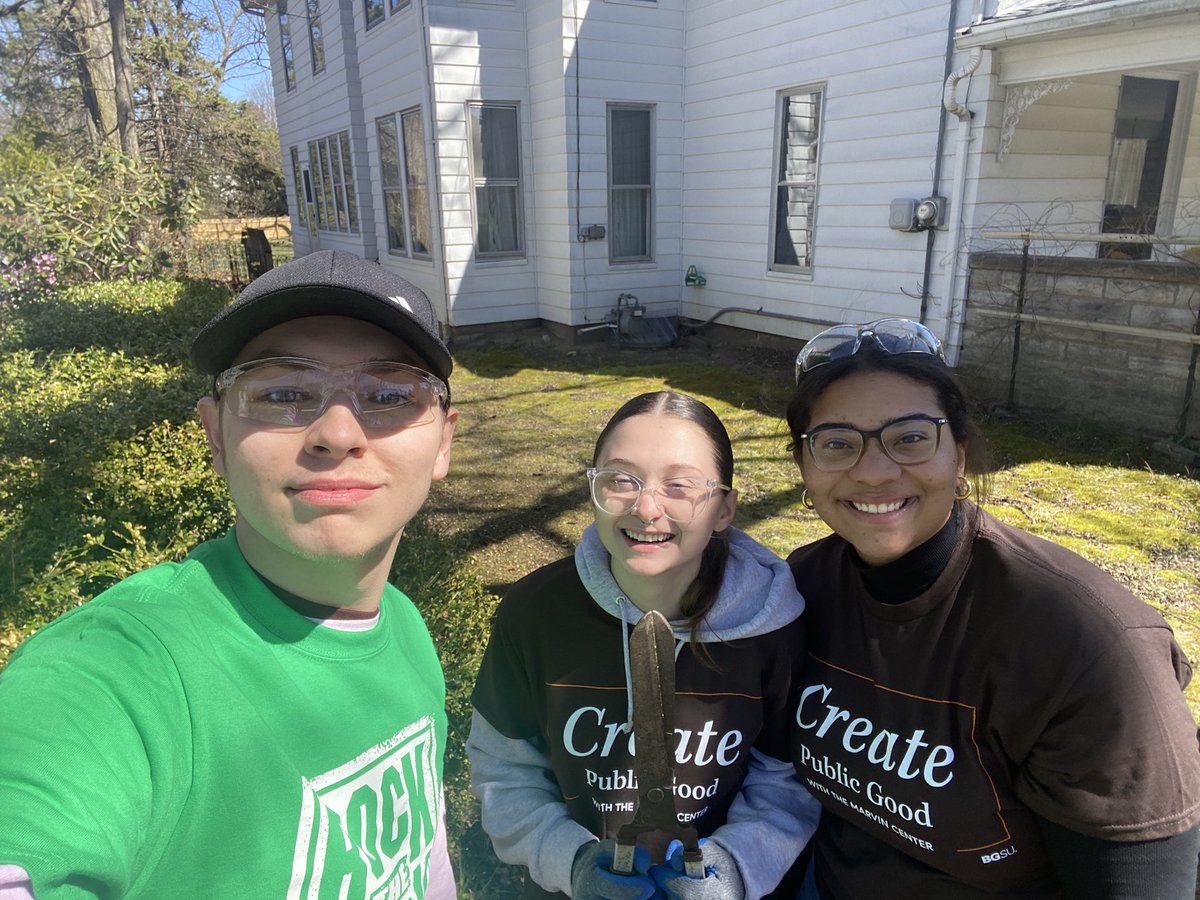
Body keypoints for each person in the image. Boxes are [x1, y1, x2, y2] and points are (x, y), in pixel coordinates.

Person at [0, 250, 460, 898]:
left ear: (443, 441)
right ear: (215, 436)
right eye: (281, 393)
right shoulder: (123, 672)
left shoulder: (407, 629)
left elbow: (420, 858)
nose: (336, 431)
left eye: (388, 395)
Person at [783, 318, 1200, 899]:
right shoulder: (797, 591)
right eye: (836, 444)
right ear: (804, 467)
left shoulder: (1086, 648)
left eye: (909, 437)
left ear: (961, 453)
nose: (873, 470)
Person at [468, 390, 820, 900]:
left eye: (679, 485)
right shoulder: (536, 615)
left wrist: (734, 867)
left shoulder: (772, 627)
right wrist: (573, 862)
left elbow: (785, 781)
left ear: (724, 509)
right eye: (620, 480)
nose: (646, 507)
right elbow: (504, 771)